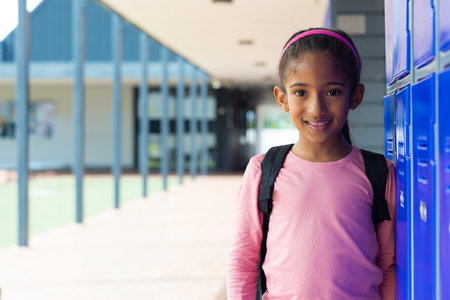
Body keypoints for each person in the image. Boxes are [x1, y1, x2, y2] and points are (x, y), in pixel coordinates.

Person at [226, 28, 396, 300]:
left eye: (332, 92)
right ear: (283, 99)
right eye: (301, 92)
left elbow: (388, 264)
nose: (317, 108)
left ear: (355, 96)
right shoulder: (263, 171)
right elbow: (243, 260)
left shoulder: (378, 173)